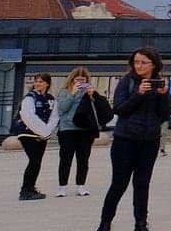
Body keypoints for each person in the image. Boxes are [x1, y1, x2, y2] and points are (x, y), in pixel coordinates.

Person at [97, 48, 171, 231]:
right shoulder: (127, 82)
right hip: (126, 139)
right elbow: (120, 109)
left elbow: (164, 115)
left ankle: (141, 227)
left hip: (149, 140)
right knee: (119, 184)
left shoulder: (159, 85)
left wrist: (164, 95)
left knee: (142, 184)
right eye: (136, 62)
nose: (139, 66)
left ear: (153, 65)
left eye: (143, 62)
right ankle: (104, 226)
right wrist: (138, 94)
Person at [53, 68, 108, 197]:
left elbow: (98, 110)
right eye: (78, 80)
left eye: (83, 80)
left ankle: (81, 185)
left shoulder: (90, 93)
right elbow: (62, 109)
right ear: (72, 80)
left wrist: (92, 95)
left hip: (85, 129)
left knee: (83, 159)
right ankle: (62, 186)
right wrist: (72, 94)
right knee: (65, 159)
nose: (80, 82)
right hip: (68, 129)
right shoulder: (64, 92)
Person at [17, 73, 59, 201]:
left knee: (37, 162)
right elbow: (28, 116)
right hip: (27, 132)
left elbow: (54, 116)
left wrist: (46, 132)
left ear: (47, 83)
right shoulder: (30, 98)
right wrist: (41, 131)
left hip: (42, 134)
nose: (38, 84)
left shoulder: (51, 99)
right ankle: (25, 190)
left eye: (41, 81)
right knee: (34, 160)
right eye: (36, 81)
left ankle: (31, 187)